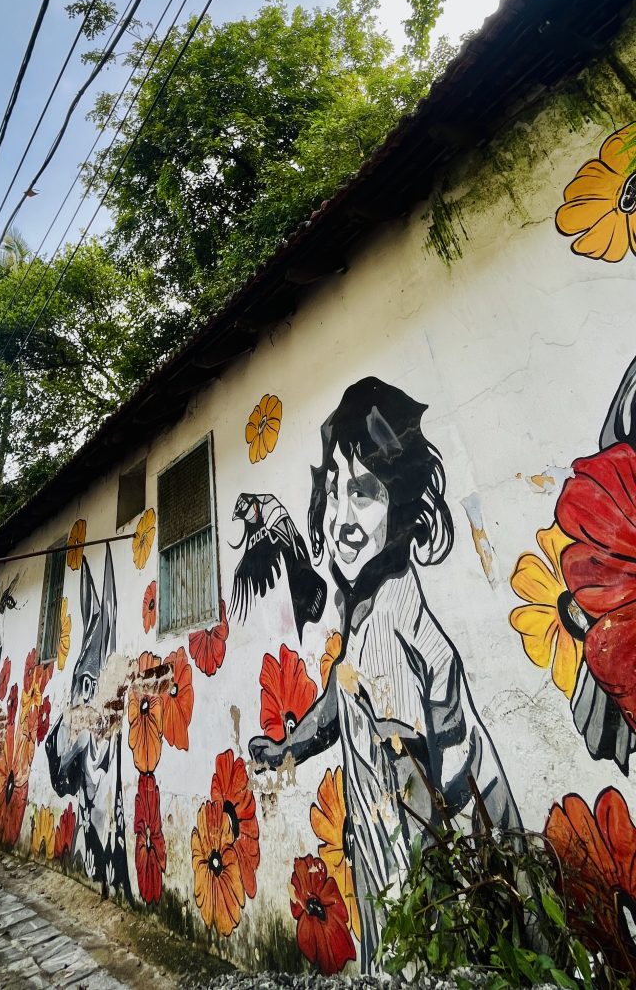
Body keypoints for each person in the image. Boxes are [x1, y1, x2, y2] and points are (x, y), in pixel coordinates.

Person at [249, 376, 520, 971]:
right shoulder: (366, 615)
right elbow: (342, 695)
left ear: (403, 504)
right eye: (337, 493)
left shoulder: (395, 618)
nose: (342, 518)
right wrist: (289, 745)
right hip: (393, 884)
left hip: (421, 892)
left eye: (366, 494)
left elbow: (425, 781)